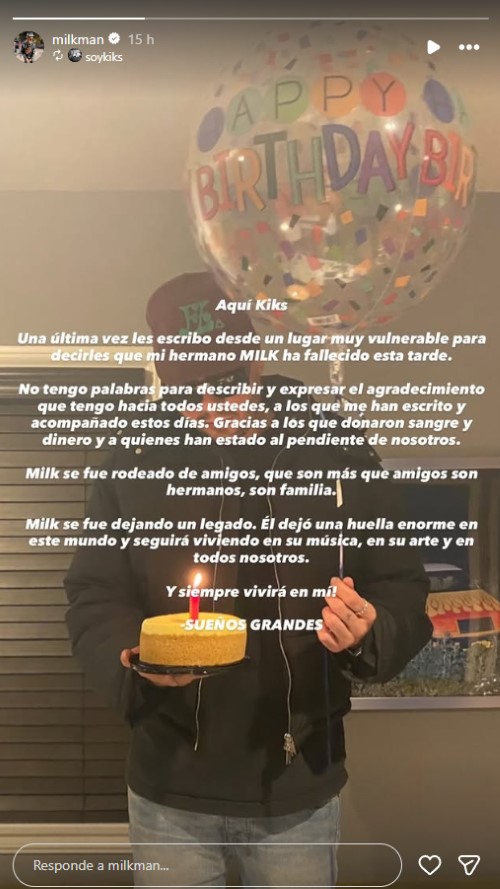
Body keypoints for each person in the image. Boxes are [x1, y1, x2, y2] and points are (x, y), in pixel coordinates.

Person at [65, 271, 432, 887]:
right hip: (168, 786)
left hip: (296, 785)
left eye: (226, 383)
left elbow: (400, 584)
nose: (210, 409)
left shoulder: (336, 452)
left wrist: (372, 631)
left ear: (257, 360)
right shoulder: (132, 463)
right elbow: (94, 593)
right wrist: (134, 657)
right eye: (189, 391)